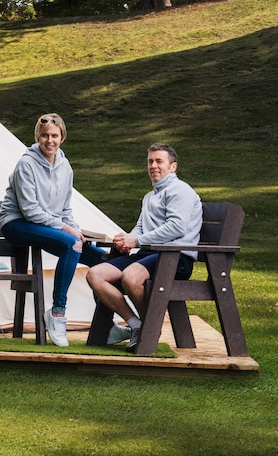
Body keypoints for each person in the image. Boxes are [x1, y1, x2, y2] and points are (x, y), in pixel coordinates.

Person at [0, 113, 104, 348]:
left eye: (54, 136)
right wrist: (66, 229)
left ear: (62, 138)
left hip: (45, 225)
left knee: (101, 259)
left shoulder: (65, 167)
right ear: (38, 137)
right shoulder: (26, 164)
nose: (50, 140)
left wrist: (75, 230)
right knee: (70, 243)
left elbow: (65, 208)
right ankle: (57, 315)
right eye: (45, 135)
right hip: (17, 224)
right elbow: (29, 211)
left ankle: (104, 325)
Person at [86, 144, 203, 352]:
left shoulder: (180, 190)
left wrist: (136, 241)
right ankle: (137, 325)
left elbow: (176, 228)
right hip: (148, 255)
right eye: (150, 161)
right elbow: (140, 228)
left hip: (175, 258)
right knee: (95, 274)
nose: (153, 166)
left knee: (130, 277)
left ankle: (149, 329)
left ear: (173, 166)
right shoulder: (150, 197)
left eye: (159, 161)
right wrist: (127, 239)